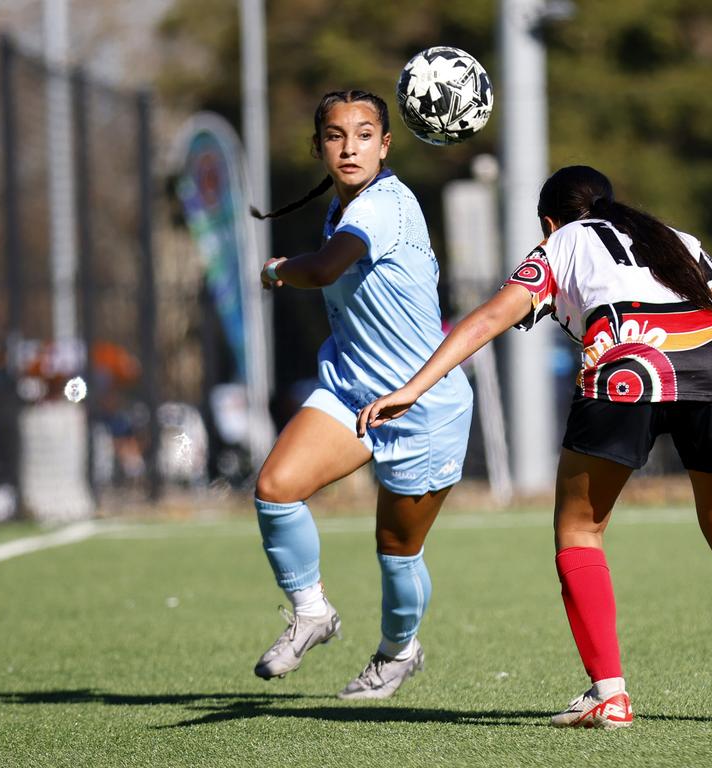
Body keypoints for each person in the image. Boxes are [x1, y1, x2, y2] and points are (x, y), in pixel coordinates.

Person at [358, 165, 712, 726]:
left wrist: (413, 388)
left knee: (579, 530)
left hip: (628, 366)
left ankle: (609, 696)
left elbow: (490, 317)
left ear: (548, 221)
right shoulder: (676, 240)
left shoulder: (560, 243)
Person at [248, 90, 473, 700]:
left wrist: (277, 269)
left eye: (365, 133)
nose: (349, 147)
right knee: (275, 489)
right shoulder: (342, 205)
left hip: (421, 403)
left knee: (397, 552)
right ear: (319, 145)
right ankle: (313, 612)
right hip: (351, 389)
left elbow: (321, 270)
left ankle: (398, 652)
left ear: (386, 144)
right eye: (335, 135)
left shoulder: (383, 206)